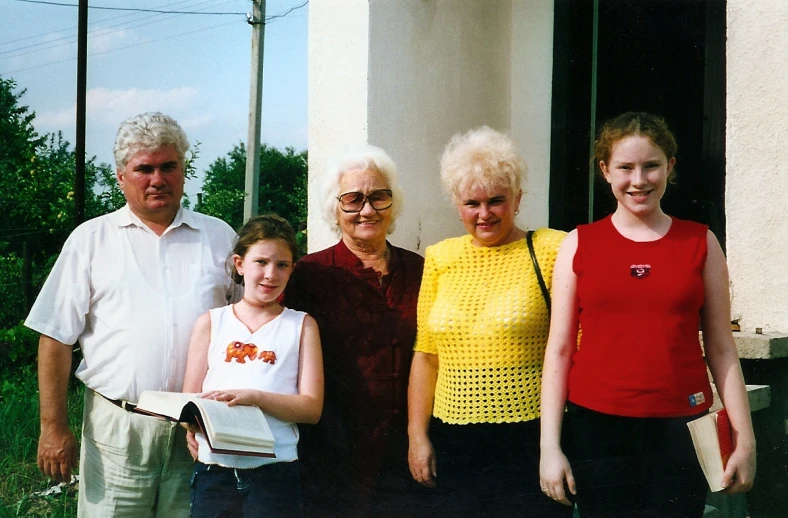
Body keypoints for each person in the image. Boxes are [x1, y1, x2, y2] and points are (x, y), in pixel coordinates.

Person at [539, 112, 756, 517]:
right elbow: (560, 350)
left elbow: (722, 349)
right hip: (597, 428)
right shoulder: (578, 243)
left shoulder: (700, 242)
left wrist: (745, 439)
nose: (638, 180)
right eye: (625, 167)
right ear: (605, 171)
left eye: (651, 165)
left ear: (670, 167)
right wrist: (549, 446)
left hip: (680, 427)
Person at [25, 112, 240, 517]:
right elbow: (54, 337)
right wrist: (52, 427)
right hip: (118, 430)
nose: (157, 178)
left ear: (183, 169)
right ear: (122, 176)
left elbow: (251, 324)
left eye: (168, 166)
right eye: (144, 168)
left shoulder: (220, 237)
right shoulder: (91, 240)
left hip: (198, 428)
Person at [407, 126, 571, 516]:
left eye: (496, 200)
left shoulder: (552, 249)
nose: (484, 214)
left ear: (517, 199)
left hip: (531, 436)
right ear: (456, 203)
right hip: (454, 440)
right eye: (472, 203)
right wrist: (418, 436)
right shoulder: (440, 257)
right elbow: (425, 354)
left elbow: (573, 346)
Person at [281, 143, 426, 516]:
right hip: (332, 455)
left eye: (379, 197)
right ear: (336, 207)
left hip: (407, 454)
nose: (367, 209)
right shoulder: (309, 276)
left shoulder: (421, 270)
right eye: (353, 199)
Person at [182, 214, 323, 517]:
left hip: (276, 473)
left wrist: (256, 398)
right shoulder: (211, 323)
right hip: (215, 473)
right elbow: (189, 403)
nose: (271, 274)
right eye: (261, 262)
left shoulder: (301, 325)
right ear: (239, 263)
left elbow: (311, 409)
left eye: (282, 264)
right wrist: (190, 425)